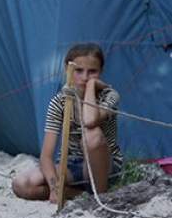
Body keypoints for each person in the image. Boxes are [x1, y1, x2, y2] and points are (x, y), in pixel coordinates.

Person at [12, 43, 122, 202]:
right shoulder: (60, 102)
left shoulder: (109, 95)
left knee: (92, 136)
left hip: (104, 166)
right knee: (22, 184)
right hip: (73, 165)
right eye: (78, 70)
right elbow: (46, 156)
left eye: (92, 72)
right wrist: (54, 187)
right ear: (67, 70)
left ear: (101, 71)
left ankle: (100, 195)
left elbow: (90, 121)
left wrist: (91, 86)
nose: (85, 77)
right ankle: (78, 195)